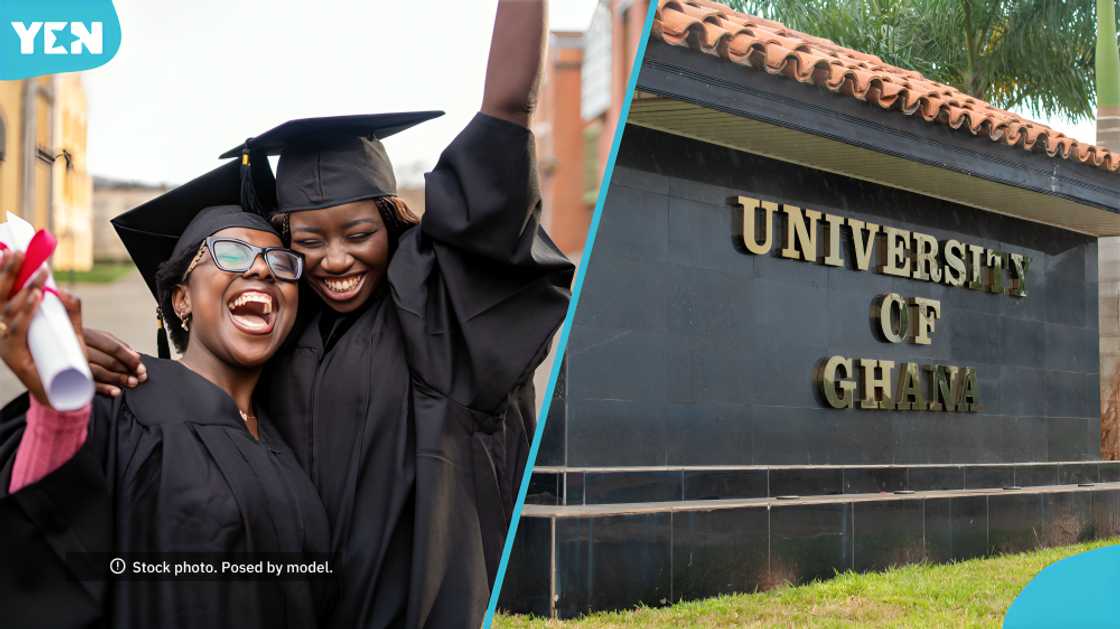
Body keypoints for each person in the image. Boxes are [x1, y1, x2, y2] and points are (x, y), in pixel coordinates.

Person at [87, 2, 573, 626]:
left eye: (359, 232)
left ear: (393, 222)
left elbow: (505, 117)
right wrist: (72, 360)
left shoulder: (436, 315)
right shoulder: (279, 337)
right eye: (308, 243)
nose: (334, 260)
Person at [0, 169, 334, 629]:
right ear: (181, 300)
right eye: (230, 253)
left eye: (281, 264)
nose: (261, 269)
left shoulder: (288, 445)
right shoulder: (122, 393)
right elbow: (46, 531)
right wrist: (58, 409)